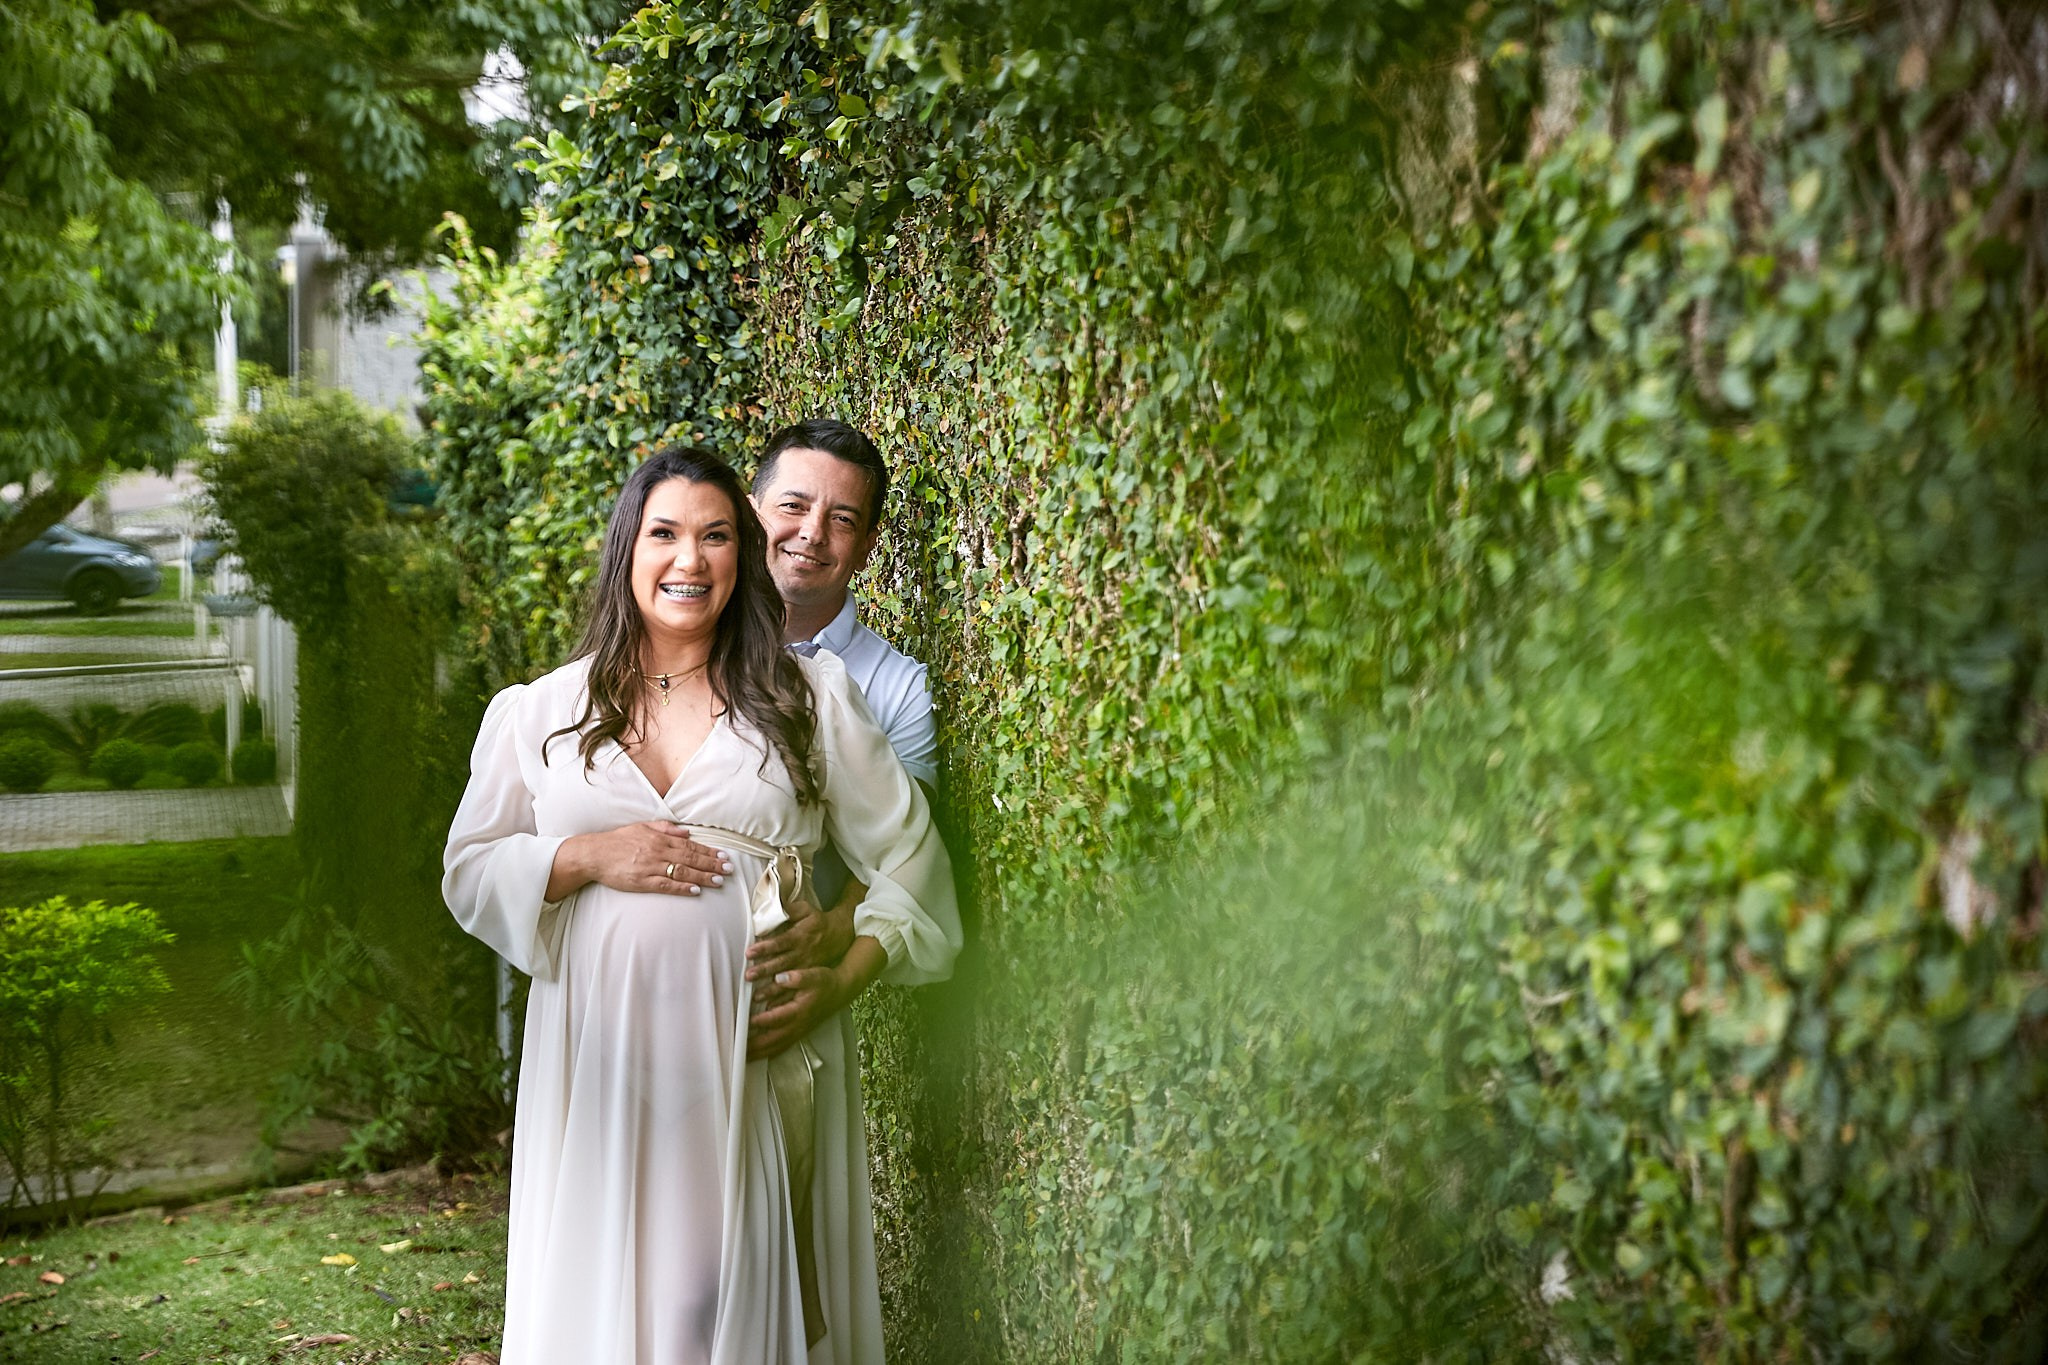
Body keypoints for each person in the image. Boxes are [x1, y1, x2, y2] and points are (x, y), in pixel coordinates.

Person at [442, 447, 961, 1365]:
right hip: (601, 1067)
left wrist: (842, 976)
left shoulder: (806, 701)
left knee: (710, 1303)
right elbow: (471, 870)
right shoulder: (544, 712)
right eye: (666, 534)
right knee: (619, 1307)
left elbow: (914, 861)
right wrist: (582, 854)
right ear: (626, 551)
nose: (691, 559)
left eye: (717, 535)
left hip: (749, 1061)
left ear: (743, 554)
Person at [742, 419, 938, 1063]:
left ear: (868, 545)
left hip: (784, 995)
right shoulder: (679, 645)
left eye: (843, 519)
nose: (811, 534)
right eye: (793, 506)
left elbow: (909, 853)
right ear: (750, 514)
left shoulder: (897, 687)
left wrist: (832, 934)